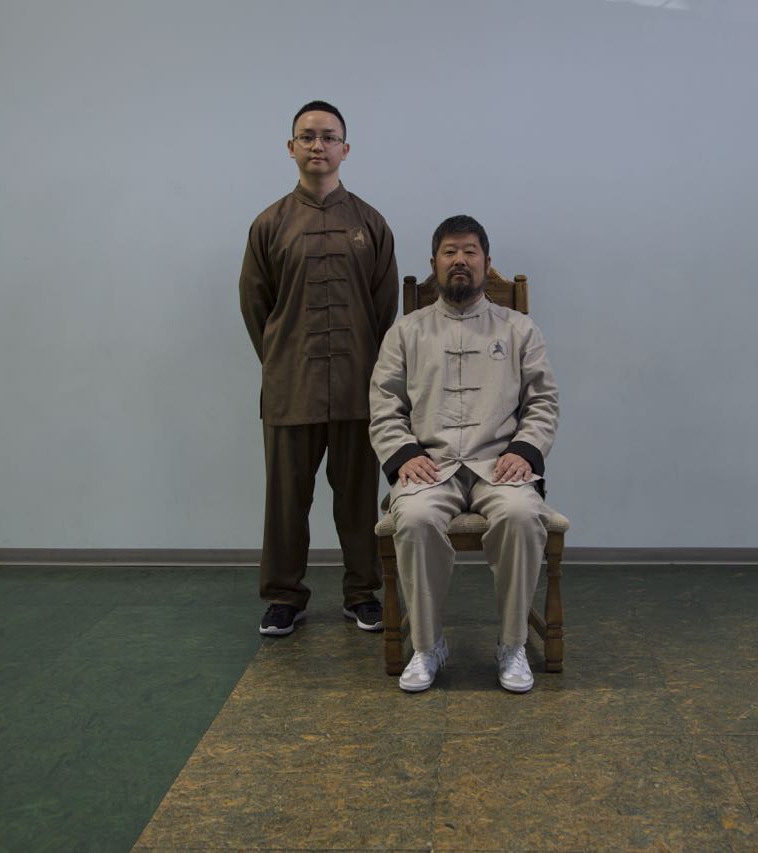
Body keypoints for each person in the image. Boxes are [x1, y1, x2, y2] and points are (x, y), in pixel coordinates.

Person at [369, 215, 559, 692]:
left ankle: (512, 644)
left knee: (521, 515)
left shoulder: (519, 329)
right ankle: (427, 646)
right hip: (430, 466)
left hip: (500, 464)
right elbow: (384, 403)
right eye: (449, 252)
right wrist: (404, 454)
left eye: (470, 251)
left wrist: (525, 451)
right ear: (434, 263)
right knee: (414, 519)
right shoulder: (406, 332)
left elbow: (543, 401)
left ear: (486, 263)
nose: (460, 260)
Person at [239, 100, 399, 637]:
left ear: (345, 149)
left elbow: (383, 308)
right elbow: (256, 306)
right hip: (291, 388)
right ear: (291, 148)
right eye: (307, 136)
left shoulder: (371, 223)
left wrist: (363, 358)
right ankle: (284, 596)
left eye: (329, 137)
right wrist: (282, 358)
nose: (318, 145)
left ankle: (363, 593)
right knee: (286, 502)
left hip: (357, 386)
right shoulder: (269, 224)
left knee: (357, 499)